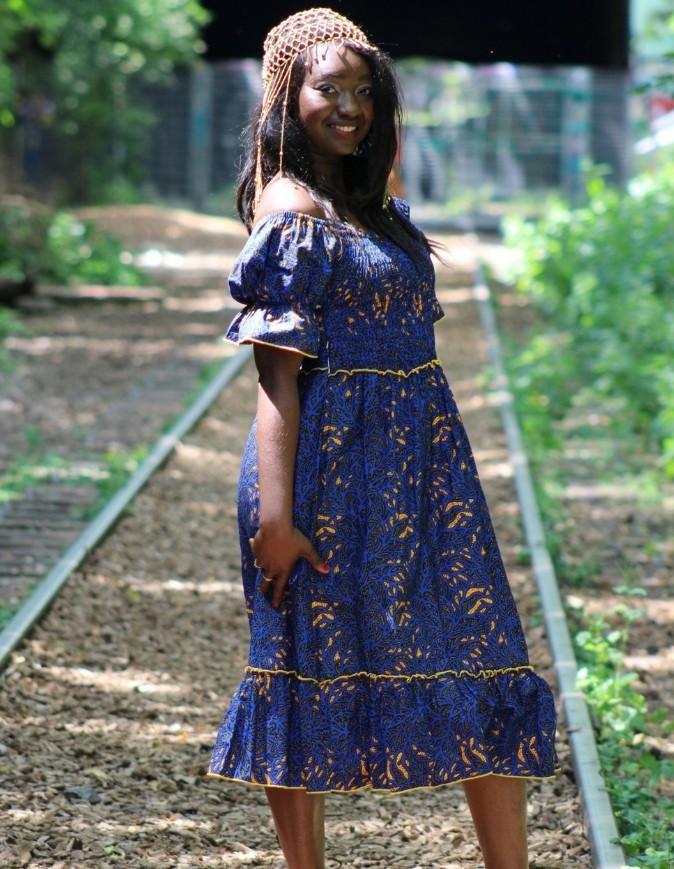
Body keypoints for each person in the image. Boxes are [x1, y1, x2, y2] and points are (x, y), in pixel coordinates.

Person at [209, 9, 558, 868]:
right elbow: (276, 376)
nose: (350, 106)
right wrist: (277, 519)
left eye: (364, 91)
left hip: (425, 470)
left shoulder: (377, 209)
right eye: (329, 88)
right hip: (325, 474)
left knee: (484, 651)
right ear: (287, 98)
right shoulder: (290, 208)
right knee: (304, 668)